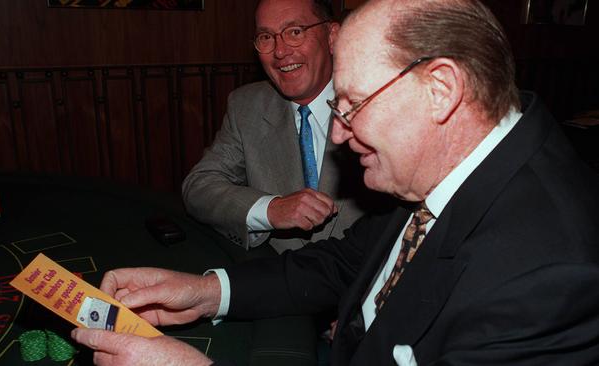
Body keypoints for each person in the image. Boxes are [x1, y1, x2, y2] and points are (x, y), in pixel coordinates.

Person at [71, 0, 599, 365]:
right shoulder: (445, 168)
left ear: (440, 90)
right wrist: (206, 291)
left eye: (354, 105)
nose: (340, 132)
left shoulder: (552, 273)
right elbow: (346, 262)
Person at [181, 0, 377, 254]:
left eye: (295, 32)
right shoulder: (246, 106)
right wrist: (270, 209)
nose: (280, 51)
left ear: (332, 36)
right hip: (275, 279)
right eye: (265, 37)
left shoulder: (379, 102)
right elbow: (198, 186)